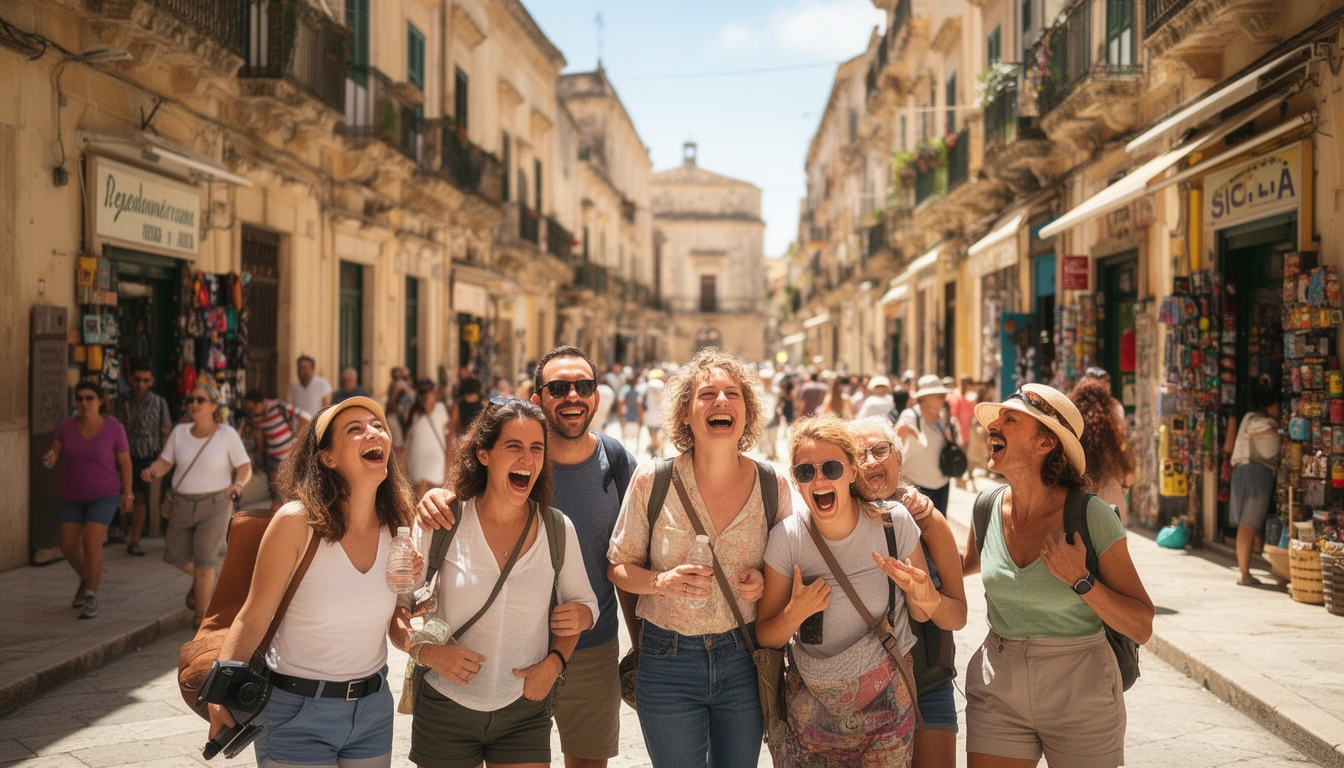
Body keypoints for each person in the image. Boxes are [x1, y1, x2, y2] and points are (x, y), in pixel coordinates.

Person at [417, 347, 637, 768]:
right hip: (506, 658)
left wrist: (639, 642)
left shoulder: (619, 461)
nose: (573, 395)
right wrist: (431, 498)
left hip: (590, 650)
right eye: (559, 387)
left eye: (584, 386)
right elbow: (461, 504)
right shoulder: (509, 456)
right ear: (538, 398)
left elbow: (627, 558)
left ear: (596, 395)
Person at [206, 396, 416, 767]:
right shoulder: (296, 522)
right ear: (327, 457)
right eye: (356, 429)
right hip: (294, 713)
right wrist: (220, 692)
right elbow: (253, 617)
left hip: (372, 710)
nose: (375, 432)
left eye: (378, 425)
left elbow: (397, 610)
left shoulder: (398, 523)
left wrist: (411, 602)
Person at [608, 348, 792, 768]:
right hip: (667, 658)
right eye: (707, 394)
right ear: (686, 414)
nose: (721, 402)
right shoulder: (652, 479)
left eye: (733, 394)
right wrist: (660, 582)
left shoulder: (774, 485)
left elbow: (795, 568)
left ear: (746, 413)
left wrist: (765, 582)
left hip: (744, 655)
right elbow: (617, 566)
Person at [397, 399, 598, 768]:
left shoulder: (557, 529)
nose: (527, 459)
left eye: (537, 448)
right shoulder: (442, 523)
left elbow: (584, 607)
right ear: (483, 454)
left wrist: (555, 663)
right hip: (445, 708)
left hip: (524, 710)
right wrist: (428, 654)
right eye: (514, 447)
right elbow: (396, 612)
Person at [962, 384, 1154, 768]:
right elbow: (962, 563)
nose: (992, 426)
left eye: (1010, 419)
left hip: (1080, 685)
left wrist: (1081, 579)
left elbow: (1141, 625)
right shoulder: (986, 506)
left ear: (1045, 443)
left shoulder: (1090, 515)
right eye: (996, 418)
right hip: (998, 680)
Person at [757, 415, 936, 766]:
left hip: (886, 713)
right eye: (805, 472)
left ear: (853, 471)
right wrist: (795, 613)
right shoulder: (786, 540)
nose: (819, 479)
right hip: (808, 718)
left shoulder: (893, 523)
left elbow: (922, 614)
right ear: (795, 480)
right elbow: (767, 636)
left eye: (832, 468)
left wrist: (920, 590)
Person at [853, 416, 967, 767]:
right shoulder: (836, 522)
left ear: (899, 461)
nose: (871, 460)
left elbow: (958, 615)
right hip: (857, 694)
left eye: (880, 450)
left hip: (926, 684)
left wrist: (926, 597)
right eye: (859, 455)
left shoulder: (928, 522)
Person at [139, 383, 252, 627]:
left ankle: (200, 619)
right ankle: (209, 579)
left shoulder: (226, 434)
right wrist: (151, 471)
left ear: (213, 406)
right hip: (182, 503)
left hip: (215, 502)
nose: (194, 404)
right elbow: (165, 462)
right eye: (191, 400)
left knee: (204, 561)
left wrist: (238, 485)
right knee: (175, 555)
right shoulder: (179, 433)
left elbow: (244, 466)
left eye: (200, 400)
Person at [41, 382, 132, 619]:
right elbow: (55, 452)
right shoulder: (66, 427)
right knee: (68, 547)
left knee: (91, 545)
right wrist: (49, 458)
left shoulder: (114, 428)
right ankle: (87, 577)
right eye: (79, 398)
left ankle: (90, 595)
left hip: (104, 495)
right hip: (70, 495)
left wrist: (128, 493)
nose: (83, 403)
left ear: (101, 400)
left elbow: (124, 462)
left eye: (89, 398)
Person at [116, 361, 173, 556]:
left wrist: (162, 459)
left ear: (151, 381)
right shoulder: (123, 401)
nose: (140, 384)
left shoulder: (158, 402)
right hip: (124, 455)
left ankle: (134, 540)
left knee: (139, 498)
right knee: (124, 494)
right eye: (137, 379)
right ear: (131, 379)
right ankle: (122, 529)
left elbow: (165, 430)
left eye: (145, 380)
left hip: (146, 457)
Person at [1228, 380, 1281, 586]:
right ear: (1271, 406)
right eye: (1276, 406)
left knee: (1247, 524)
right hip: (1258, 474)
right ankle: (1244, 574)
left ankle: (1246, 568)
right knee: (1248, 525)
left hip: (1241, 471)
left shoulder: (1248, 418)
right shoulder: (1270, 424)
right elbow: (1276, 444)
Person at [1068, 377, 1136, 525]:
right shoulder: (1111, 427)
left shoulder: (1070, 426)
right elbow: (1124, 459)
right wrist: (1125, 483)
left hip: (1077, 493)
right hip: (1110, 491)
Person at [241, 391, 312, 510]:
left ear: (261, 403)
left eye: (252, 409)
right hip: (272, 460)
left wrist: (296, 440)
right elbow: (260, 437)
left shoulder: (279, 406)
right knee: (277, 498)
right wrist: (259, 459)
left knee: (291, 496)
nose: (251, 413)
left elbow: (306, 418)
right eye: (249, 410)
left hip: (289, 459)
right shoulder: (255, 417)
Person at [896, 375, 955, 514]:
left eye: (944, 394)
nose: (944, 397)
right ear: (923, 398)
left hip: (942, 484)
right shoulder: (910, 416)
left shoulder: (943, 415)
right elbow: (897, 439)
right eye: (939, 395)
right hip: (917, 488)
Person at [405, 379, 451, 499]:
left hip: (437, 454)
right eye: (423, 392)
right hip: (418, 455)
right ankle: (419, 516)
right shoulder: (414, 411)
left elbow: (447, 432)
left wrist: (449, 457)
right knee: (421, 487)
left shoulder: (440, 408)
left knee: (436, 490)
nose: (427, 394)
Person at [385, 367, 417, 458]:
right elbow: (392, 400)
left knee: (399, 442)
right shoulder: (399, 384)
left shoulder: (401, 384)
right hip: (397, 416)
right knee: (398, 444)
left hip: (402, 416)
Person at [449, 376, 485, 449]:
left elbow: (453, 424)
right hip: (480, 442)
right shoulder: (484, 404)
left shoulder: (459, 404)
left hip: (464, 443)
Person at [640, 368, 666, 458]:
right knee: (661, 432)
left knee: (652, 432)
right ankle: (661, 451)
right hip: (661, 413)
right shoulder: (662, 385)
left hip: (649, 413)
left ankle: (654, 447)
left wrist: (641, 414)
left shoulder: (647, 385)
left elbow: (640, 401)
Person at [619, 373, 643, 449]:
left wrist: (620, 415)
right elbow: (639, 405)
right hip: (634, 415)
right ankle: (636, 448)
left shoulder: (624, 390)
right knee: (636, 434)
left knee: (625, 434)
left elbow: (621, 404)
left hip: (627, 415)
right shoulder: (638, 391)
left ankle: (626, 447)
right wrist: (641, 416)